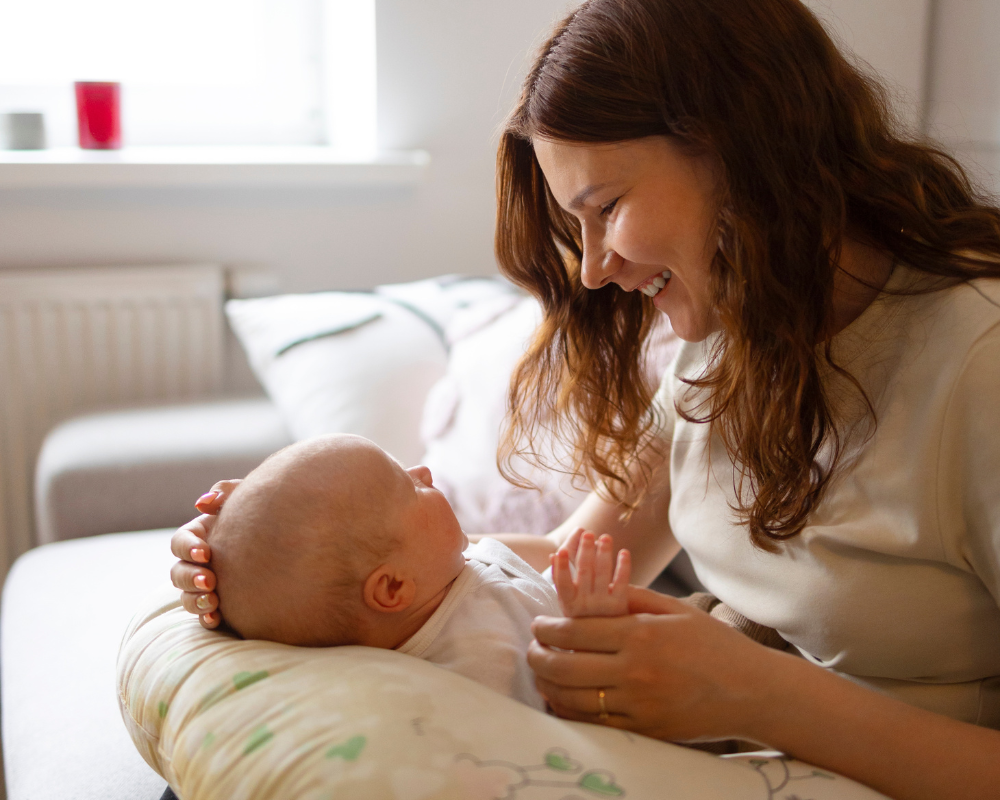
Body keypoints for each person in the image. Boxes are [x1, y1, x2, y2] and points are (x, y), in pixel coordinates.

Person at [171, 0, 1000, 796]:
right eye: (580, 227)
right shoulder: (734, 336)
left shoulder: (979, 362)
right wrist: (305, 562)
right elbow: (563, 561)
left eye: (606, 208)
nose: (596, 267)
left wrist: (760, 693)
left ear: (750, 149)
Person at [203, 432, 631, 712]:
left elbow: (539, 566)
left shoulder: (441, 573)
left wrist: (565, 583)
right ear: (391, 588)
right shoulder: (476, 665)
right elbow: (568, 717)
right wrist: (591, 626)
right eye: (409, 486)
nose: (423, 471)